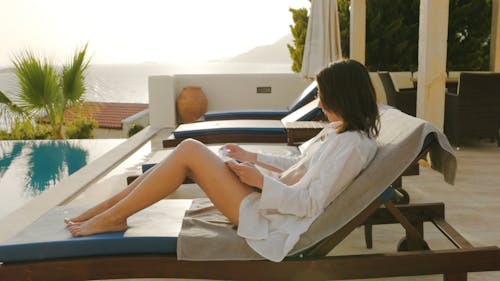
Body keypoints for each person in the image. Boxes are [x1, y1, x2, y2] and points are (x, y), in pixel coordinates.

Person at [65, 59, 380, 262]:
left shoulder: (352, 146)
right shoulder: (339, 132)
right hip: (268, 201)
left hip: (272, 221)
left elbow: (311, 203)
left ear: (343, 96)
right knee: (185, 154)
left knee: (188, 150)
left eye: (323, 95)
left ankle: (110, 216)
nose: (320, 102)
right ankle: (104, 212)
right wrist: (251, 158)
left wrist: (260, 182)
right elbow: (298, 165)